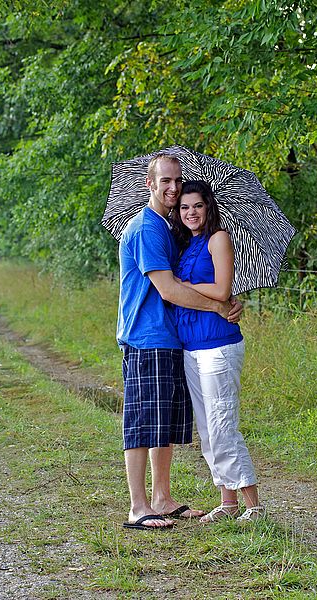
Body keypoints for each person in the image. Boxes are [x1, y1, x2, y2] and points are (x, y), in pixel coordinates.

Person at [117, 153, 243, 530]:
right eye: (165, 182)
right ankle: (139, 507)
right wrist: (218, 306)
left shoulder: (168, 229)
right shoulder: (146, 228)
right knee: (142, 421)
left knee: (165, 423)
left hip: (171, 338)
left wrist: (222, 299)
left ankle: (162, 498)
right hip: (145, 336)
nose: (173, 188)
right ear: (149, 184)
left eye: (178, 180)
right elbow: (169, 290)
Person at [171, 180, 265, 523]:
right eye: (184, 207)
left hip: (219, 345)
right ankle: (228, 503)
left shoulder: (218, 239)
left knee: (224, 423)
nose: (190, 212)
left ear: (208, 207)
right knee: (208, 428)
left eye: (197, 205)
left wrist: (185, 287)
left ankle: (253, 505)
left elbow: (224, 289)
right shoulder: (185, 246)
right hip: (191, 347)